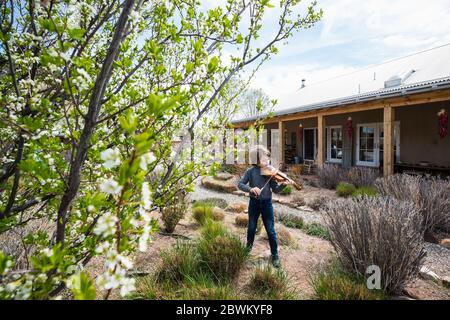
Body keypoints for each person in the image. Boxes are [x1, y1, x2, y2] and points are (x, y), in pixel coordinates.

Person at [238, 145, 288, 268]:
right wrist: (251, 189)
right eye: (264, 160)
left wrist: (284, 184)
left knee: (270, 230)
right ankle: (248, 249)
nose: (268, 162)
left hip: (267, 204)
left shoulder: (270, 172)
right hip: (254, 204)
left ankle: (275, 254)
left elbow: (275, 189)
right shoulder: (250, 172)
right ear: (256, 160)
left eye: (268, 159)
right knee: (251, 227)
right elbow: (240, 184)